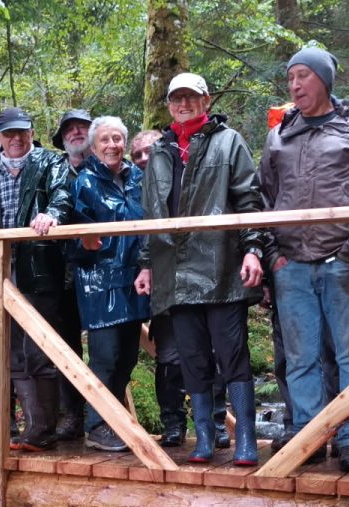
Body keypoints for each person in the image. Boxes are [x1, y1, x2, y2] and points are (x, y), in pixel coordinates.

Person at [256, 46, 349, 473]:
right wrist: (273, 254)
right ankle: (309, 435)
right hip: (291, 264)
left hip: (344, 261)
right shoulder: (279, 134)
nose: (295, 85)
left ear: (325, 80)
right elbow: (264, 196)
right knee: (300, 357)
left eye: (304, 77)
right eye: (291, 78)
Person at [133, 73, 266, 466]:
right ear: (170, 104)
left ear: (206, 100)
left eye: (192, 97)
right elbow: (150, 214)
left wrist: (252, 250)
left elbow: (248, 198)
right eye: (177, 98)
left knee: (233, 354)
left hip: (221, 266)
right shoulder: (159, 151)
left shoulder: (230, 142)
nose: (184, 104)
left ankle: (245, 438)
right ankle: (205, 436)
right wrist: (146, 265)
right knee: (190, 357)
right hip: (174, 272)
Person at [0, 107, 72, 452]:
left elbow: (62, 195)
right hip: (1, 268)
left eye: (21, 132)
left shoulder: (50, 162)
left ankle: (43, 428)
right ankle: (30, 428)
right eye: (8, 133)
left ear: (30, 132)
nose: (15, 139)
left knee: (39, 348)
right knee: (12, 351)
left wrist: (52, 214)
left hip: (40, 266)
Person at [68, 116, 150, 451]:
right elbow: (74, 234)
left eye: (117, 139)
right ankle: (97, 424)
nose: (112, 145)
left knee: (128, 356)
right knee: (106, 356)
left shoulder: (137, 178)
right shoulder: (85, 181)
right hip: (99, 281)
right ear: (94, 145)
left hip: (134, 277)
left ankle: (114, 421)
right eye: (105, 139)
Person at [130, 129, 187, 447]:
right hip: (155, 283)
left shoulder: (182, 176)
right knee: (167, 356)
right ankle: (173, 424)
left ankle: (217, 423)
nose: (143, 159)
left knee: (205, 352)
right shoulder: (129, 186)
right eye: (137, 154)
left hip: (191, 277)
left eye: (149, 151)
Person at [51, 108, 94, 441]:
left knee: (108, 348)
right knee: (64, 348)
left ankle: (106, 416)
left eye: (83, 127)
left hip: (101, 272)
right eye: (71, 129)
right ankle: (72, 415)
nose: (77, 132)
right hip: (61, 274)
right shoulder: (52, 172)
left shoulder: (106, 167)